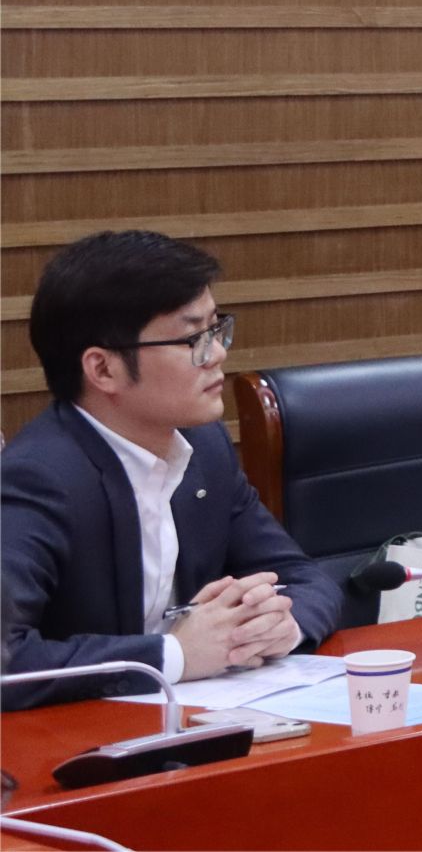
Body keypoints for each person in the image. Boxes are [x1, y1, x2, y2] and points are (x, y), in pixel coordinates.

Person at [2, 231, 341, 709]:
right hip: (74, 742)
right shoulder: (38, 479)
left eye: (217, 329)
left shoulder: (204, 448)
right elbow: (6, 658)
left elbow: (302, 577)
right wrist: (174, 654)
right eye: (193, 339)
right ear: (103, 370)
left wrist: (282, 624)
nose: (218, 354)